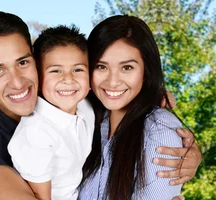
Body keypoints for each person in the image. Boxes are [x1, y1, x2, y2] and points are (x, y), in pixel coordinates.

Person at [0, 11, 202, 199]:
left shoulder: (72, 98)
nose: (18, 83)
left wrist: (181, 142)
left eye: (22, 63)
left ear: (36, 59)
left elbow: (117, 88)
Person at [79, 15, 190, 200]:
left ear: (146, 71)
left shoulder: (160, 128)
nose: (113, 81)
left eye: (127, 68)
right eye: (101, 66)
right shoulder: (87, 119)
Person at [7, 25, 93, 200]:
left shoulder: (85, 105)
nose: (68, 79)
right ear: (38, 77)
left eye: (78, 69)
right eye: (55, 70)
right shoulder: (36, 132)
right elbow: (40, 197)